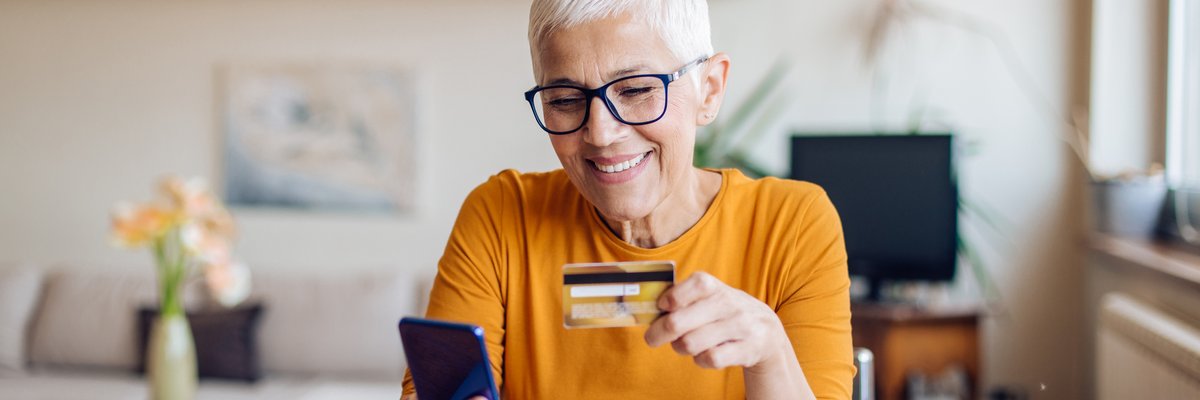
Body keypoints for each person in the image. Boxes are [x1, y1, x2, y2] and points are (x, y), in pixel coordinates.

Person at [402, 1, 854, 398]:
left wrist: (771, 356)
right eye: (563, 99)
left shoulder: (793, 223)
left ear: (710, 90)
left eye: (636, 90)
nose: (600, 133)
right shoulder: (501, 214)